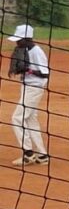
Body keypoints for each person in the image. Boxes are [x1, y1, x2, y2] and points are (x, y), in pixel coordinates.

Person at [7, 23, 49, 166]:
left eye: (19, 40)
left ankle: (28, 154)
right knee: (31, 120)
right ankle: (42, 155)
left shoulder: (36, 51)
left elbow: (45, 73)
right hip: (27, 87)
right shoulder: (26, 50)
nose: (17, 43)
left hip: (34, 88)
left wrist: (28, 70)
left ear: (27, 38)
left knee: (17, 118)